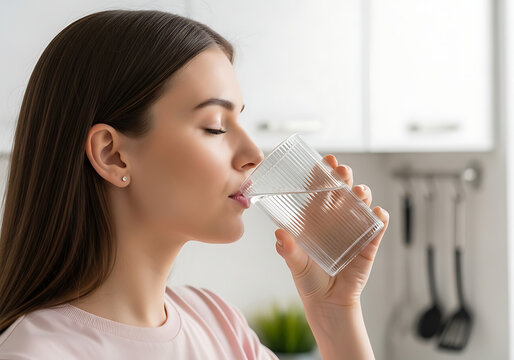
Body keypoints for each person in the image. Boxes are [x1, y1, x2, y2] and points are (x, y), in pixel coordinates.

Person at [0, 9, 389, 360]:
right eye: (215, 127)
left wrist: (335, 315)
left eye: (240, 121)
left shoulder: (219, 325)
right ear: (112, 155)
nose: (254, 153)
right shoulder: (36, 353)